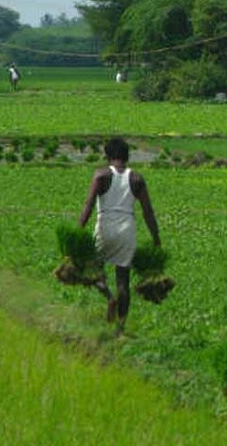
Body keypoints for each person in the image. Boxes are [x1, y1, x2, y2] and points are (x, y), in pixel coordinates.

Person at [79, 137, 161, 334]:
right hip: (127, 229)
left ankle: (109, 297)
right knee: (122, 280)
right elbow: (148, 212)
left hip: (105, 226)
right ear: (126, 156)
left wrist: (79, 230)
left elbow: (88, 205)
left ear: (108, 156)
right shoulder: (137, 179)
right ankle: (120, 328)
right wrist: (156, 239)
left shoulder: (101, 176)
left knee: (94, 270)